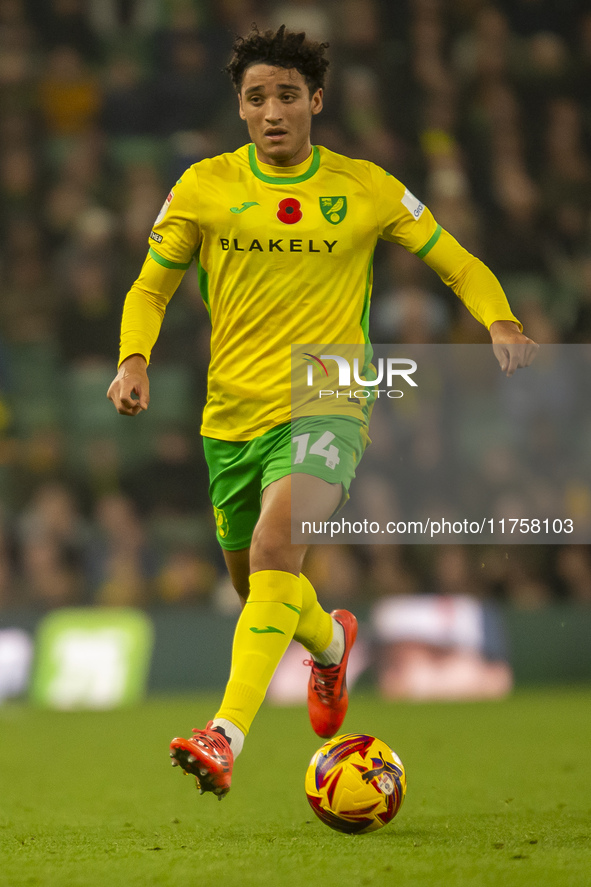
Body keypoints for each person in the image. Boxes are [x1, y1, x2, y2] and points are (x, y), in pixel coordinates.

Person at [107, 25, 537, 799]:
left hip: (327, 393)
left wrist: (497, 320)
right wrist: (132, 357)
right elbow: (149, 287)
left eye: (285, 96)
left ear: (316, 101)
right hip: (229, 416)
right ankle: (331, 639)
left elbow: (454, 260)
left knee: (277, 547)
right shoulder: (203, 185)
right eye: (254, 99)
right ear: (238, 109)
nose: (271, 112)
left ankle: (223, 734)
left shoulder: (365, 187)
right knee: (258, 586)